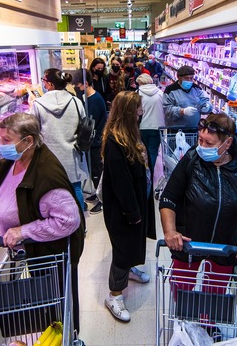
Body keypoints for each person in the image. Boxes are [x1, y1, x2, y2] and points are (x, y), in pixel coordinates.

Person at [0, 113, 85, 338]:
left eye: (7, 140)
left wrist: (22, 231)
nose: (1, 145)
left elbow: (69, 220)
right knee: (45, 308)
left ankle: (66, 337)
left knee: (58, 308)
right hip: (33, 255)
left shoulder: (46, 175)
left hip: (51, 256)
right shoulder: (12, 162)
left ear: (28, 141)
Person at [160, 113, 237, 282]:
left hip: (225, 247)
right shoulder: (191, 160)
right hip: (189, 245)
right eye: (200, 140)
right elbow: (168, 198)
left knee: (215, 298)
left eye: (209, 143)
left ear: (228, 143)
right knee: (182, 293)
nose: (201, 146)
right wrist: (170, 231)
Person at [101, 92, 155, 323]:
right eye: (138, 109)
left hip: (137, 203)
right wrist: (132, 212)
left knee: (133, 243)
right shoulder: (115, 141)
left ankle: (130, 270)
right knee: (123, 249)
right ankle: (114, 295)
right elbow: (121, 184)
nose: (141, 112)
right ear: (128, 112)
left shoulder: (130, 133)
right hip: (123, 209)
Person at [31, 68, 88, 210]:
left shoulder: (38, 104)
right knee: (75, 189)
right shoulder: (76, 102)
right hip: (72, 154)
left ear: (50, 84)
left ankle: (60, 225)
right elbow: (83, 124)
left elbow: (34, 130)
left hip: (48, 157)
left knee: (52, 192)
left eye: (44, 81)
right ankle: (79, 226)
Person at [71, 69, 107, 214]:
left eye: (78, 86)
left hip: (96, 143)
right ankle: (98, 196)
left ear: (85, 83)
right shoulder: (89, 98)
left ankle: (103, 201)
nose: (77, 89)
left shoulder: (95, 100)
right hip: (93, 143)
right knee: (93, 172)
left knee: (97, 172)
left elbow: (90, 124)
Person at [163, 65, 212, 130]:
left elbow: (204, 101)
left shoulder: (197, 89)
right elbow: (167, 110)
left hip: (194, 129)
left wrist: (208, 106)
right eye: (186, 78)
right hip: (176, 131)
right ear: (178, 77)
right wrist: (182, 111)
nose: (189, 81)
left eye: (191, 78)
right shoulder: (170, 90)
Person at [136, 74, 164, 174]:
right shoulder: (160, 93)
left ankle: (144, 170)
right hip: (157, 126)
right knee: (153, 151)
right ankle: (151, 172)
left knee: (143, 150)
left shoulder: (137, 93)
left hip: (142, 126)